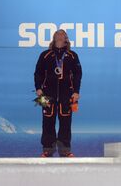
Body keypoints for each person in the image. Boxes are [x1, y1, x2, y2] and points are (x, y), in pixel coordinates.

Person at [34, 29, 82, 157]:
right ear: (54, 38)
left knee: (66, 122)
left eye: (63, 35)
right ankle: (47, 150)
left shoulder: (72, 55)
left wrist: (76, 91)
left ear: (66, 39)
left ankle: (65, 150)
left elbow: (78, 75)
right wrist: (38, 88)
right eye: (58, 35)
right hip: (46, 94)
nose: (60, 36)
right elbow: (38, 72)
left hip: (67, 94)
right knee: (47, 121)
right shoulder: (45, 55)